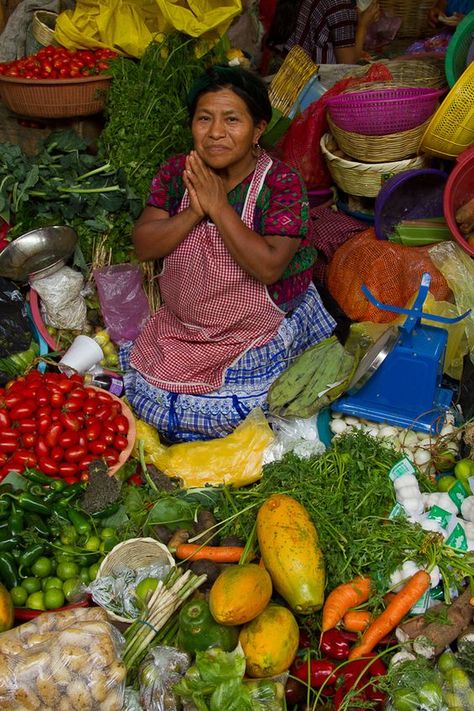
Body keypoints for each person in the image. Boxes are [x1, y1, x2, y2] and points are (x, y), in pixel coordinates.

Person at [119, 66, 336, 442]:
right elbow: (144, 244)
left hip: (254, 331)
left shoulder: (280, 183)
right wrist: (194, 211)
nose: (216, 132)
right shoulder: (177, 173)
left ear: (258, 129)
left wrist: (219, 207)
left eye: (232, 120)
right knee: (150, 400)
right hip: (184, 328)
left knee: (236, 419)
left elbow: (269, 267)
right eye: (204, 119)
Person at [285, 0, 380, 65]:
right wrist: (362, 26)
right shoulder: (339, 4)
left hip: (293, 69)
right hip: (314, 82)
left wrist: (355, 49)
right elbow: (348, 64)